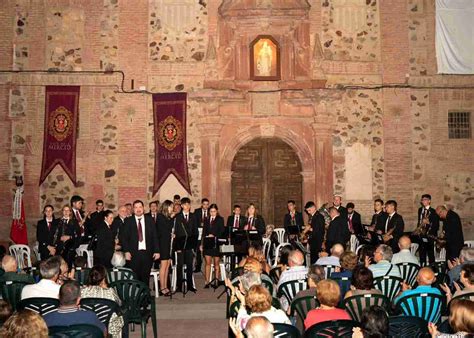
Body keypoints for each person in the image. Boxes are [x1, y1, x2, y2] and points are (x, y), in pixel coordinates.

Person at [121, 200, 160, 284]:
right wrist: (126, 251)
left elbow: (155, 236)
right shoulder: (128, 221)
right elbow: (124, 238)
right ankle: (136, 296)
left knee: (145, 277)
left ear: (143, 208)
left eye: (140, 207)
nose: (138, 209)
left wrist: (157, 251)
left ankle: (145, 296)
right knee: (135, 277)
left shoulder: (150, 220)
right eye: (136, 207)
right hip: (133, 254)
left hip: (147, 253)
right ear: (133, 209)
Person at [81, 265, 124, 337]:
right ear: (104, 279)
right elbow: (119, 303)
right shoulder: (110, 292)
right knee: (123, 315)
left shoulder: (83, 291)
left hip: (88, 326)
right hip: (108, 328)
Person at [174, 197, 198, 293]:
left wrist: (194, 246)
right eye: (185, 205)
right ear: (182, 206)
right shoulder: (178, 217)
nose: (187, 206)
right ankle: (179, 286)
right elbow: (176, 232)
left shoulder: (193, 216)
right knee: (179, 265)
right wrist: (177, 247)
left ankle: (190, 285)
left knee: (189, 266)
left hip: (189, 245)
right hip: (180, 245)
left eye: (188, 204)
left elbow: (195, 231)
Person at [292, 265, 325, 332]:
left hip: (302, 329)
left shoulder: (301, 294)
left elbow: (290, 311)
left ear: (310, 279)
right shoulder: (326, 294)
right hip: (321, 329)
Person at [200, 203, 226, 288]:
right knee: (207, 263)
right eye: (211, 211)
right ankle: (207, 281)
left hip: (216, 243)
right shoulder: (206, 220)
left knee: (216, 263)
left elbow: (222, 231)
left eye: (214, 211)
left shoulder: (220, 219)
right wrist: (202, 244)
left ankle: (216, 281)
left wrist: (214, 235)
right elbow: (203, 232)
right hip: (207, 243)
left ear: (217, 211)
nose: (212, 213)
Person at [414, 194, 440, 266]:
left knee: (430, 254)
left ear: (429, 201)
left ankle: (433, 270)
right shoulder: (420, 210)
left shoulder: (434, 211)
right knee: (422, 254)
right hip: (421, 235)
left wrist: (428, 223)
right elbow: (419, 221)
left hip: (429, 236)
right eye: (422, 200)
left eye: (425, 200)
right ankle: (422, 269)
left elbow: (436, 226)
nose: (423, 201)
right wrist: (418, 229)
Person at [156, 199, 175, 296]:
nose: (172, 208)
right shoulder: (160, 217)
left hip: (167, 243)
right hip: (162, 244)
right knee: (163, 266)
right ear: (166, 207)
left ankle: (166, 286)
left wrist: (171, 234)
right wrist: (171, 218)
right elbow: (164, 229)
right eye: (171, 206)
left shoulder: (167, 218)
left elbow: (169, 230)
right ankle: (161, 287)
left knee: (167, 265)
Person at [55, 204, 81, 269]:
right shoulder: (58, 221)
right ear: (62, 212)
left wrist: (69, 237)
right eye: (64, 210)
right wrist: (59, 238)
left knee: (68, 263)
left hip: (70, 247)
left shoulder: (74, 222)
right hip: (60, 246)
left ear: (70, 212)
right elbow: (54, 234)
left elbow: (78, 234)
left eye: (68, 210)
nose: (66, 212)